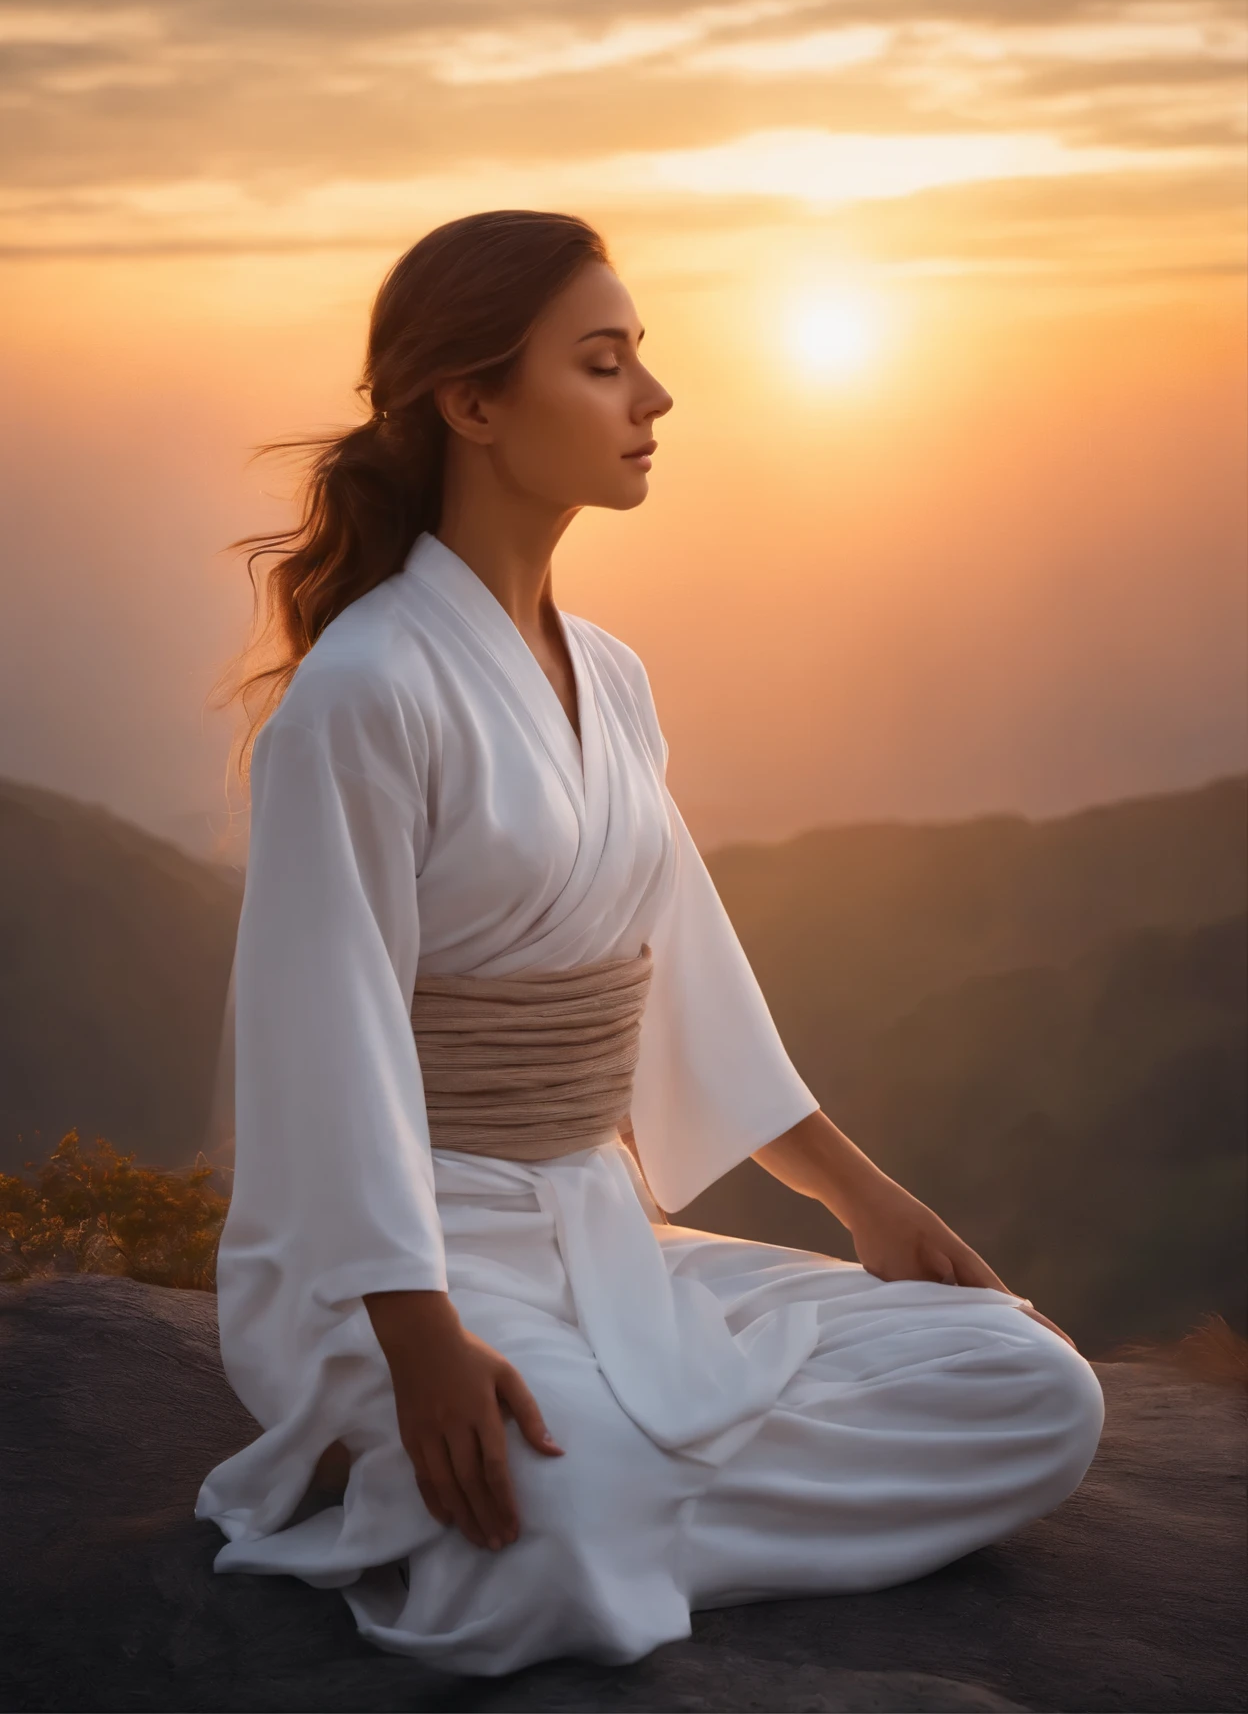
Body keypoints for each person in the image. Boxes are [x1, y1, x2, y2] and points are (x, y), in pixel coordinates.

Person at [195, 208, 1105, 1676]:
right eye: (605, 364)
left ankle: (614, 1510)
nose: (655, 399)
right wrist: (420, 1338)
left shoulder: (607, 676)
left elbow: (685, 954)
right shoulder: (362, 696)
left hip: (605, 1231)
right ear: (475, 404)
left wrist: (866, 1200)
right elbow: (326, 1038)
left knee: (1034, 1385)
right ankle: (562, 1491)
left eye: (642, 361)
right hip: (414, 1264)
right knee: (567, 1492)